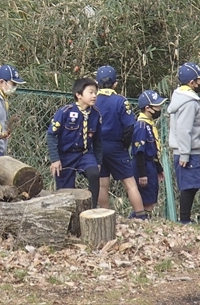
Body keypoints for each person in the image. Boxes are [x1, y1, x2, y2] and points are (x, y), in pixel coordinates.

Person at [94, 65, 146, 219]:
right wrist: (125, 144)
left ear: (96, 84)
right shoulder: (121, 101)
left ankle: (105, 215)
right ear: (115, 84)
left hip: (97, 147)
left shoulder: (92, 99)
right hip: (116, 146)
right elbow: (129, 126)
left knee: (102, 183)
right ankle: (141, 215)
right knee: (130, 183)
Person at [47, 78, 103, 208]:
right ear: (78, 95)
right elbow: (51, 134)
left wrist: (98, 161)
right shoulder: (65, 111)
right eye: (90, 92)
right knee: (65, 192)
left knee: (94, 173)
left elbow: (98, 140)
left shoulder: (96, 114)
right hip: (65, 156)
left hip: (84, 154)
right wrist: (55, 159)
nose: (94, 96)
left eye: (95, 92)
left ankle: (92, 208)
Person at [168, 62, 200, 224]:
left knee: (191, 185)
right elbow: (184, 130)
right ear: (191, 82)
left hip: (186, 150)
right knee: (189, 186)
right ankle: (184, 220)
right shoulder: (189, 103)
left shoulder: (181, 97)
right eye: (199, 80)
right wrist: (185, 154)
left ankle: (185, 218)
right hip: (187, 152)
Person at [132, 90, 167, 218]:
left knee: (150, 201)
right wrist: (142, 174)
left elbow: (153, 150)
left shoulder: (149, 125)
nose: (160, 108)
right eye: (157, 106)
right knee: (146, 202)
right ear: (148, 108)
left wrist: (159, 169)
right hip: (144, 167)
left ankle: (143, 222)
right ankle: (137, 223)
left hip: (151, 165)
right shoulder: (141, 126)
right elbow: (139, 151)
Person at [0, 64, 26, 157]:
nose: (15, 87)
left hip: (0, 146)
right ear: (2, 82)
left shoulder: (3, 98)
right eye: (13, 83)